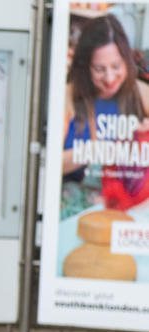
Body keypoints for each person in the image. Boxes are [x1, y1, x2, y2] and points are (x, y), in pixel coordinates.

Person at [62, 14, 149, 217]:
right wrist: (90, 151)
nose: (110, 78)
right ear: (85, 66)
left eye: (116, 67)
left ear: (127, 61)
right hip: (77, 214)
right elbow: (48, 164)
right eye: (99, 69)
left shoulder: (140, 94)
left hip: (131, 215)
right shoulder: (67, 97)